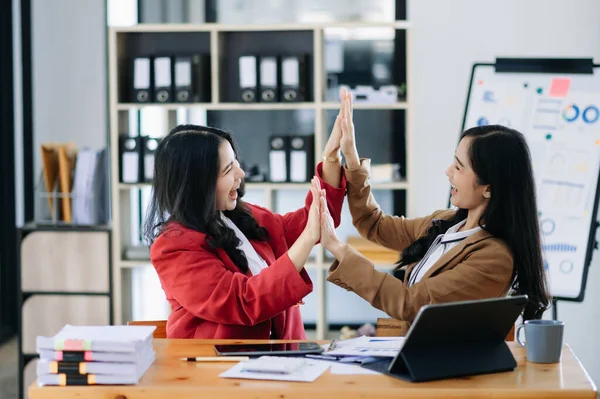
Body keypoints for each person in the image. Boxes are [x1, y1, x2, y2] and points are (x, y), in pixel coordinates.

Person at [317, 89, 550, 329]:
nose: (448, 172)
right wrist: (351, 159)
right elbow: (373, 223)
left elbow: (410, 303)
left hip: (446, 363)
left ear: (488, 188)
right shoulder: (445, 223)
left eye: (459, 168)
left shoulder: (494, 257)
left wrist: (336, 246)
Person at [144, 116, 347, 339]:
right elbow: (242, 301)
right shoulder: (174, 248)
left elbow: (314, 221)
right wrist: (307, 238)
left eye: (237, 164)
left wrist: (332, 156)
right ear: (198, 184)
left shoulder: (244, 216)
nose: (241, 175)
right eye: (229, 169)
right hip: (218, 365)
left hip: (280, 359)